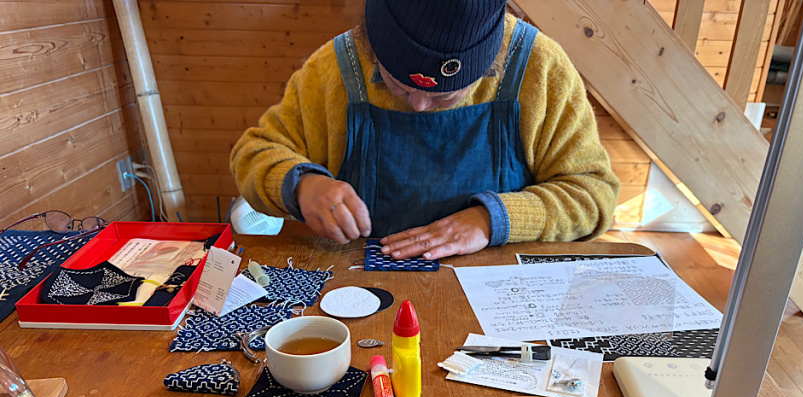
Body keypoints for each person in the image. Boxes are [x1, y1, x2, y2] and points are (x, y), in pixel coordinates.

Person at [230, 0, 619, 261]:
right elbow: (253, 155)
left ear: (490, 66)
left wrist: (494, 220)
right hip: (360, 290)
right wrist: (302, 186)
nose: (418, 105)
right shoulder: (334, 70)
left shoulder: (540, 70)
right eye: (397, 85)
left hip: (502, 301)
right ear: (372, 46)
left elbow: (593, 195)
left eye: (444, 96)